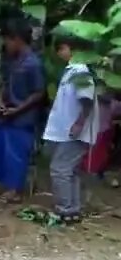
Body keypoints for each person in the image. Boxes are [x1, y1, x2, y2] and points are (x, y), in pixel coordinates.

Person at [0, 19, 46, 201]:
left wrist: (19, 109)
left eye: (8, 40)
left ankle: (14, 190)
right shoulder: (12, 60)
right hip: (7, 115)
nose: (6, 44)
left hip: (22, 117)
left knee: (15, 153)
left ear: (18, 39)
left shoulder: (33, 63)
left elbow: (39, 93)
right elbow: (4, 84)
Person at [42, 35, 97, 222]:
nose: (60, 53)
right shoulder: (72, 71)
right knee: (69, 171)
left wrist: (79, 123)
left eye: (61, 49)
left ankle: (64, 209)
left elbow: (86, 99)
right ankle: (72, 210)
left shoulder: (80, 70)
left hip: (73, 131)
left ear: (69, 49)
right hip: (68, 130)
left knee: (60, 169)